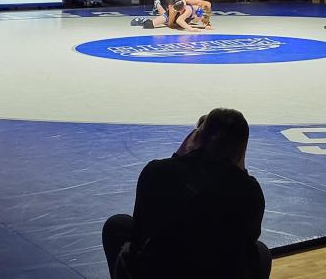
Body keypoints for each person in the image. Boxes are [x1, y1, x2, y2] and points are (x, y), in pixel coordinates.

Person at [102, 108, 267, 279]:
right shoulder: (251, 191)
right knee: (261, 253)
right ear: (241, 151)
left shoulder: (157, 172)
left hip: (159, 271)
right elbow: (248, 243)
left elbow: (140, 234)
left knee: (118, 225)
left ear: (194, 138)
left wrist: (178, 156)